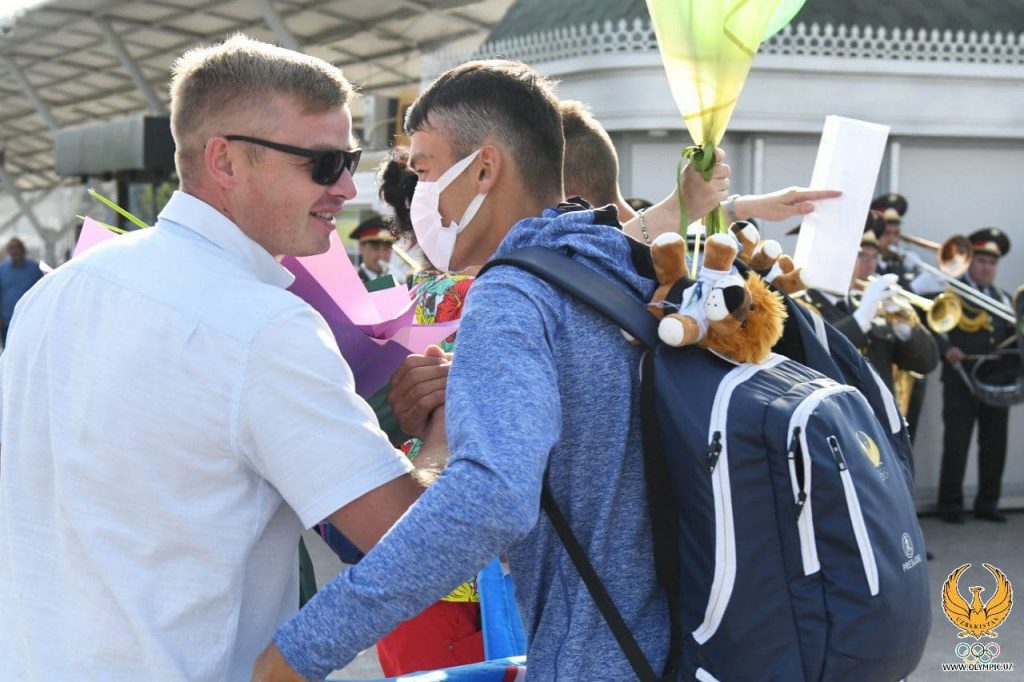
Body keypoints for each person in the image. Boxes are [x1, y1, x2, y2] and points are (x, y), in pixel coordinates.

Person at [0, 36, 434, 680]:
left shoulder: (55, 292)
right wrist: (439, 429)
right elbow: (415, 545)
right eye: (323, 163)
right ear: (224, 160)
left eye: (349, 160)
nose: (347, 187)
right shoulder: (262, 326)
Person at [936, 228, 1017, 524]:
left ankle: (988, 503)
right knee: (957, 443)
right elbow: (931, 325)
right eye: (982, 261)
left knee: (995, 444)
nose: (987, 268)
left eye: (992, 263)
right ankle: (950, 505)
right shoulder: (952, 294)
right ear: (970, 262)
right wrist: (946, 349)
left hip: (995, 380)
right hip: (960, 380)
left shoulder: (1003, 298)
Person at [801, 221, 938, 394]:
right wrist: (861, 319)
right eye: (837, 255)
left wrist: (905, 329)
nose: (847, 263)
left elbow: (926, 364)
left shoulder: (871, 304)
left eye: (854, 255)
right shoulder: (801, 305)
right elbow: (815, 355)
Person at [0, 236, 44, 346]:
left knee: (26, 348)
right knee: (8, 349)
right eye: (11, 248)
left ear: (23, 249)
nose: (15, 251)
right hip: (7, 319)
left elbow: (42, 293)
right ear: (8, 251)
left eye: (17, 247)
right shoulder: (2, 269)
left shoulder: (34, 269)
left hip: (29, 318)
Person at [349, 214, 395, 283]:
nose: (381, 255)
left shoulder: (397, 282)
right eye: (375, 248)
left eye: (386, 248)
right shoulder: (352, 282)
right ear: (361, 248)